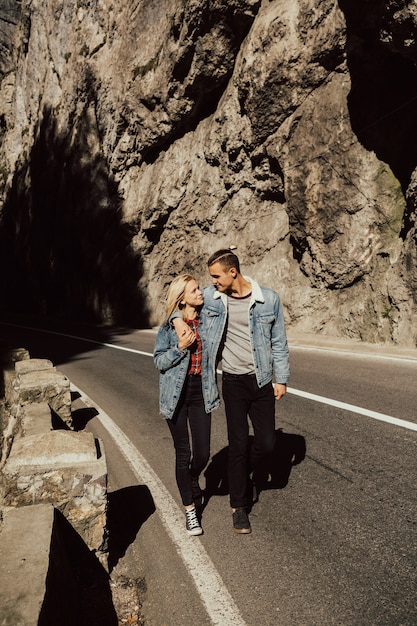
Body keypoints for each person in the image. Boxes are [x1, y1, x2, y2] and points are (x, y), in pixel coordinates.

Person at [173, 249, 289, 534]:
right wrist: (176, 320)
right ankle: (239, 507)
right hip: (234, 382)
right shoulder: (213, 298)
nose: (212, 282)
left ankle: (241, 474)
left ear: (232, 273)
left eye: (216, 276)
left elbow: (279, 342)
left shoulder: (268, 299)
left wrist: (281, 378)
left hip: (261, 380)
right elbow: (181, 305)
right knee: (237, 445)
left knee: (267, 444)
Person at [153, 274, 220, 536]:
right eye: (194, 290)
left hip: (201, 393)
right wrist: (180, 347)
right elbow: (158, 362)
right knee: (183, 454)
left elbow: (216, 293)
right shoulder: (168, 329)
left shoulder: (208, 321)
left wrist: (178, 316)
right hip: (175, 396)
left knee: (202, 453)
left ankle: (193, 478)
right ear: (182, 298)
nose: (200, 293)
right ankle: (190, 512)